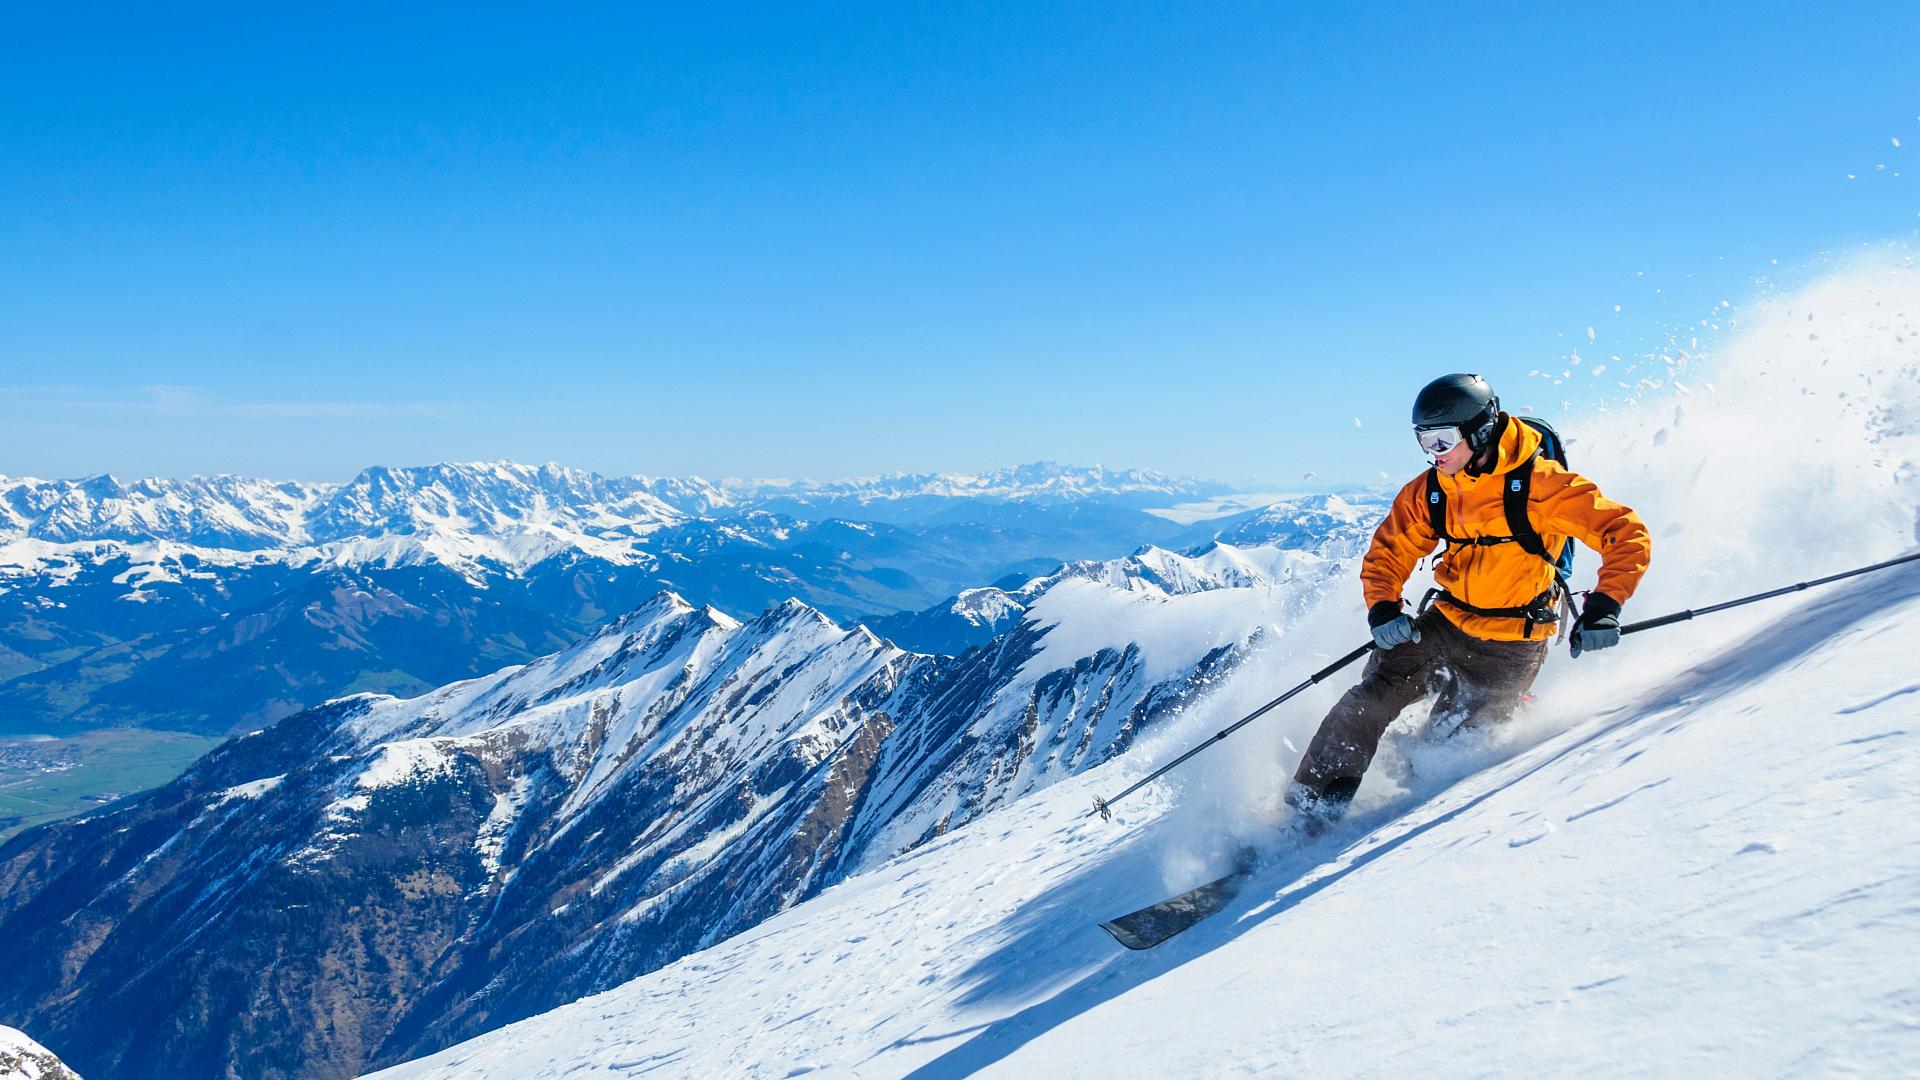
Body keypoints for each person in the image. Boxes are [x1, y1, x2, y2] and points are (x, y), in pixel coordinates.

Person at [1286, 373, 1652, 830]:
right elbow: (1388, 553)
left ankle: (1404, 811)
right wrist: (1383, 606)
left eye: (1443, 440)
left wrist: (1604, 607)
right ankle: (1306, 817)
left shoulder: (1542, 485)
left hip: (1512, 642)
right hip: (1444, 621)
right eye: (1424, 442)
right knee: (1367, 701)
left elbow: (1626, 535)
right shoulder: (1432, 489)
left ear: (1479, 431)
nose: (1434, 453)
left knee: (1446, 748)